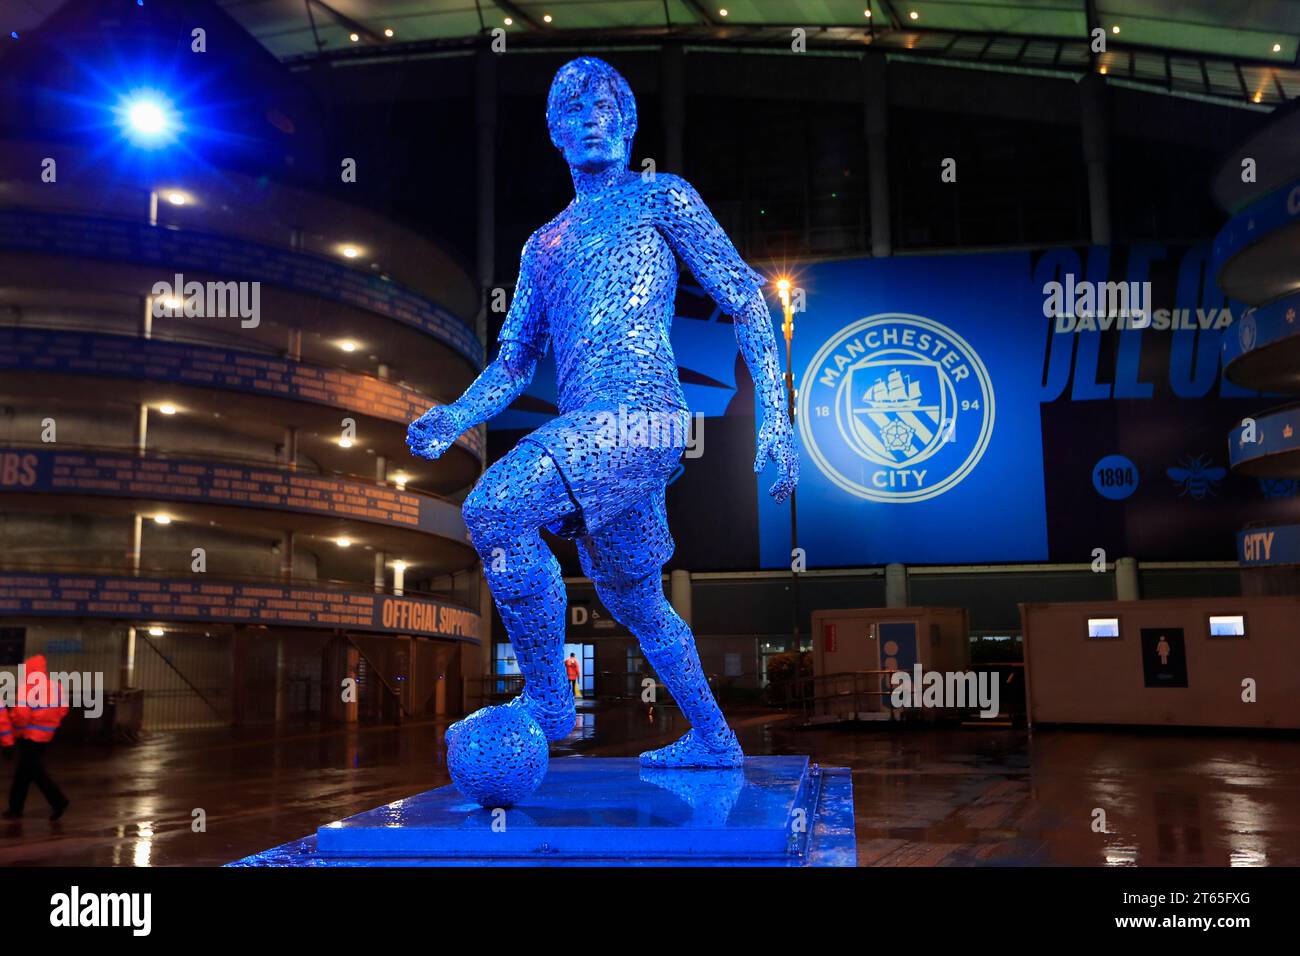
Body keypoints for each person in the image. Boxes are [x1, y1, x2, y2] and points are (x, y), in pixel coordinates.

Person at [409, 57, 798, 768]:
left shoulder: (662, 198)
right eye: (575, 114)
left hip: (644, 417)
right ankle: (715, 740)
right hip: (593, 433)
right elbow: (514, 363)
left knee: (494, 507)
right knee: (636, 599)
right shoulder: (542, 245)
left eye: (606, 110)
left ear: (628, 125)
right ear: (556, 134)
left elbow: (746, 297)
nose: (593, 122)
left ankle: (550, 698)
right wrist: (455, 413)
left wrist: (776, 413)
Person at [1, 654, 70, 820]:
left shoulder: (28, 688)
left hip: (29, 736)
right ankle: (15, 808)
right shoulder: (56, 687)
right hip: (46, 736)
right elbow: (64, 709)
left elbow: (21, 715)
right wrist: (50, 724)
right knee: (24, 773)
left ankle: (58, 801)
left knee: (35, 772)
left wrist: (14, 729)